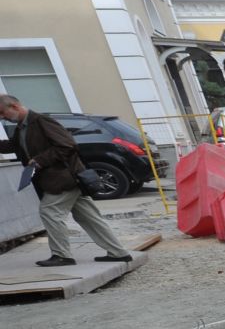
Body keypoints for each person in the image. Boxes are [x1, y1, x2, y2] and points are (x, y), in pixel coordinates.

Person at [0, 94, 133, 268]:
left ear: (15, 106)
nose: (2, 117)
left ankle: (62, 256)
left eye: (2, 112)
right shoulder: (22, 127)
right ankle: (118, 253)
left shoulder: (41, 121)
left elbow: (68, 145)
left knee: (49, 211)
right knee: (89, 218)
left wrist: (40, 160)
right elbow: (15, 146)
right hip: (64, 178)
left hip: (63, 178)